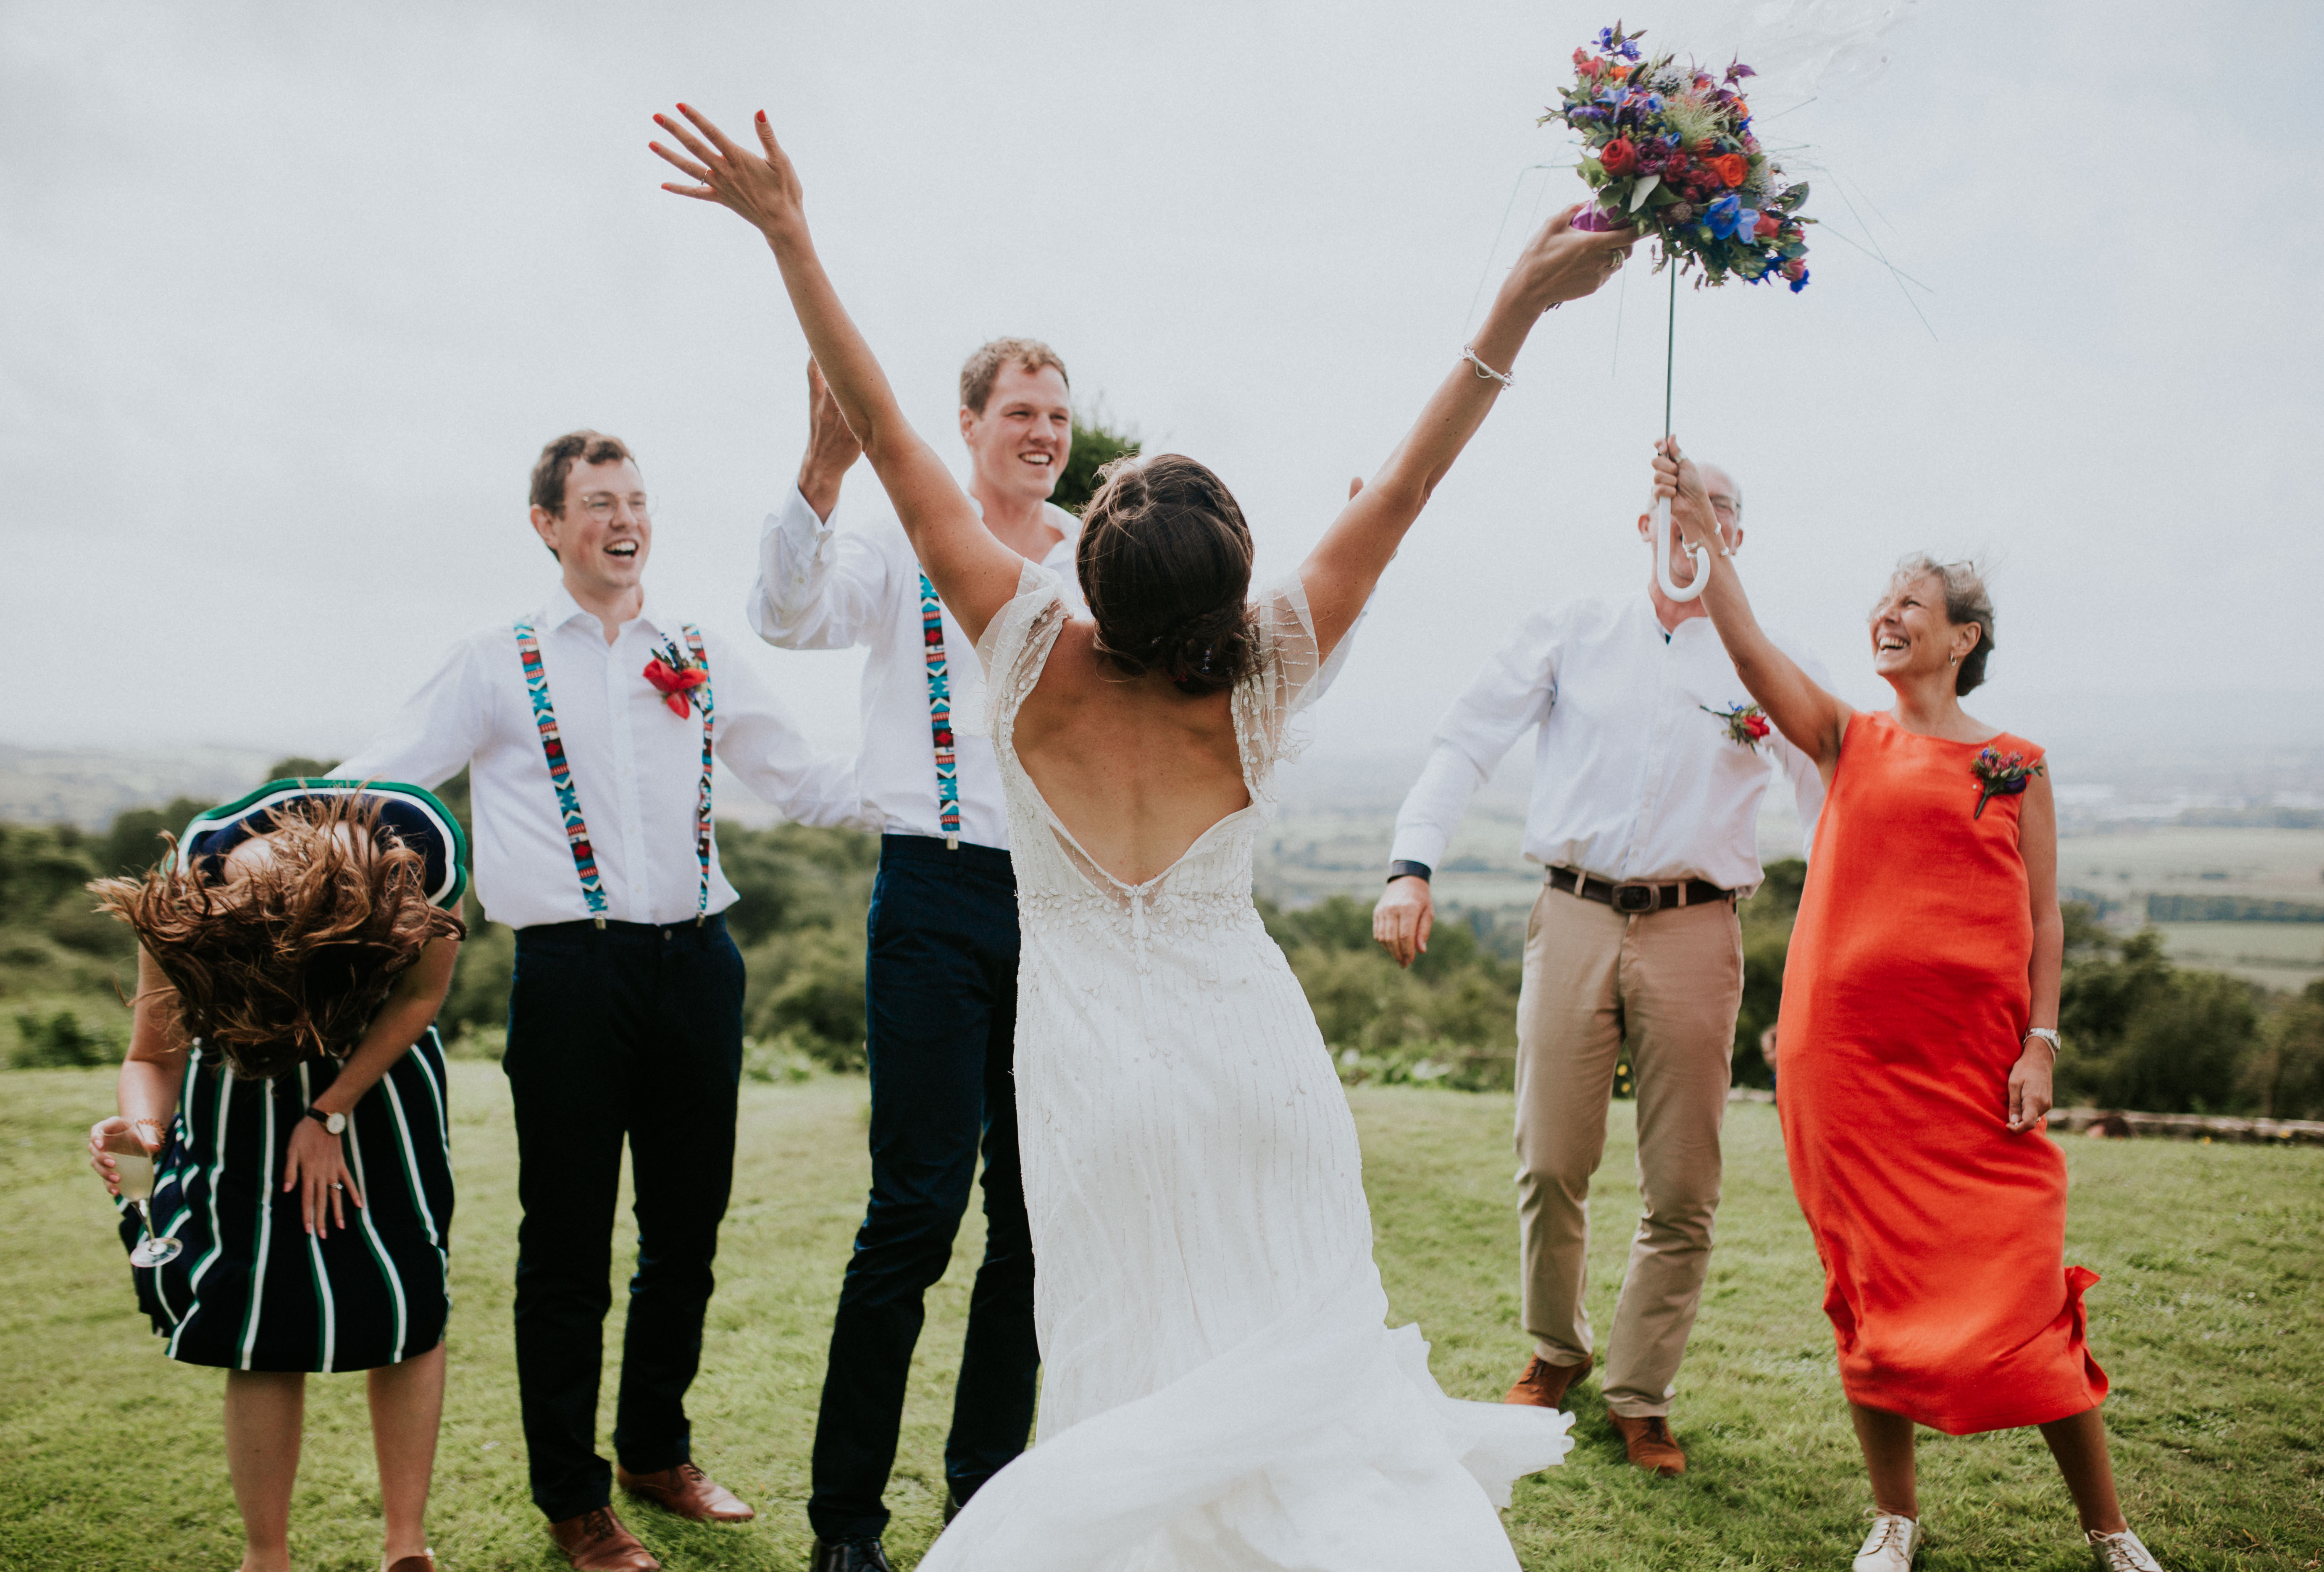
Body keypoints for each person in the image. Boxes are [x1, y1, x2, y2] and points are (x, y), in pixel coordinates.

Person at [650, 100, 1635, 1571]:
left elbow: (896, 437)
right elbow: (1414, 487)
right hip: (1256, 1059)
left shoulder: (1028, 649)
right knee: (1292, 1365)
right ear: (1227, 588)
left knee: (1128, 1377)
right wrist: (1513, 305)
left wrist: (788, 234)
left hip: (1089, 1069)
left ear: (1095, 573)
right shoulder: (1261, 666)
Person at [334, 430, 859, 1572]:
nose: (623, 520)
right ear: (548, 525)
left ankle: (653, 1450)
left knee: (685, 1233)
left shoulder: (698, 651)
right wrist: (257, 844)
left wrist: (944, 780)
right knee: (565, 1248)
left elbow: (806, 779)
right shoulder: (497, 658)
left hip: (698, 968)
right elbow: (379, 777)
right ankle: (572, 1496)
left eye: (635, 500)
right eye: (597, 503)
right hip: (571, 978)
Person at [1649, 438, 2165, 1572]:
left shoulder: (2015, 765)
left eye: (1909, 604)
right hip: (1844, 1073)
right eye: (1880, 602)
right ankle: (1893, 1516)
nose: (1884, 616)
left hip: (1977, 1074)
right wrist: (1691, 524)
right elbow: (1743, 644)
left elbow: (2042, 920)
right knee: (1865, 1285)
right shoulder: (1846, 738)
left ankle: (2109, 1531)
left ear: (1959, 639)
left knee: (2024, 1290)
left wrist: (2039, 1045)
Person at [1371, 457, 1827, 1476]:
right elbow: (1464, 743)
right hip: (1571, 912)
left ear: (1737, 540)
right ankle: (1552, 1351)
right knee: (1549, 1158)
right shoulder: (1570, 629)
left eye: (1716, 516)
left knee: (1682, 1182)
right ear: (1642, 523)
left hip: (1695, 929)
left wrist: (1842, 938)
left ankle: (1641, 1393)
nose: (1693, 530)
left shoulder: (1767, 660)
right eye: (1676, 512)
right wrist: (1410, 866)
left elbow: (1827, 793)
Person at [748, 343, 1079, 1561]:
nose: (1040, 432)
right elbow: (785, 616)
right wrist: (820, 477)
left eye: (1056, 414)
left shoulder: (1090, 556)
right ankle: (846, 1525)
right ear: (969, 422)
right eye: (1019, 413)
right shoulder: (899, 539)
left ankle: (986, 1503)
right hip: (931, 897)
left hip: (1060, 912)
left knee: (1034, 1223)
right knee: (913, 1213)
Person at [84, 782, 468, 1572]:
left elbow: (423, 995)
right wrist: (148, 1130)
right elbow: (149, 1056)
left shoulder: (419, 859)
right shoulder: (188, 903)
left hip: (379, 1079)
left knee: (404, 1294)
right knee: (255, 1315)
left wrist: (330, 1110)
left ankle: (407, 1548)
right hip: (236, 1088)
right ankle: (266, 1559)